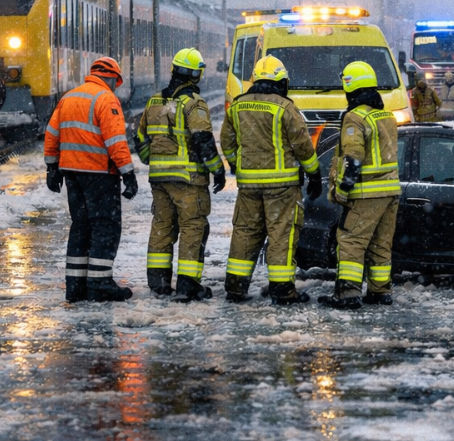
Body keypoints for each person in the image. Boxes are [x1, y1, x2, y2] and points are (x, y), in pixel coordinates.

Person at [220, 55, 321, 305]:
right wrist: (314, 173)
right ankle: (282, 290)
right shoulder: (285, 108)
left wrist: (238, 164)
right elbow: (302, 146)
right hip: (282, 188)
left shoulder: (237, 106)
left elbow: (227, 143)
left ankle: (236, 287)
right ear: (281, 82)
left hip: (248, 186)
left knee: (245, 233)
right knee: (281, 236)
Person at [134, 48, 226, 302]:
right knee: (193, 228)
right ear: (195, 75)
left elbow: (139, 138)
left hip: (159, 180)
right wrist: (218, 170)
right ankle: (188, 284)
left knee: (162, 227)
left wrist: (152, 160)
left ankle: (159, 282)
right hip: (188, 180)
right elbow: (203, 140)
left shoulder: (154, 102)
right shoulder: (193, 103)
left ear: (174, 70)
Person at [44, 57, 138, 303]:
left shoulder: (69, 97)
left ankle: (75, 287)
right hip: (99, 174)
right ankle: (100, 284)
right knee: (105, 226)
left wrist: (52, 167)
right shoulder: (106, 99)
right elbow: (115, 141)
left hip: (71, 174)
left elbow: (51, 134)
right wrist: (128, 173)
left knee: (81, 226)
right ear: (112, 78)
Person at [318, 61, 400, 309]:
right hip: (390, 190)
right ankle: (380, 291)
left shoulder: (355, 117)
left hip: (366, 193)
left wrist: (343, 190)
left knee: (351, 240)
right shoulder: (386, 115)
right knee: (380, 243)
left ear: (349, 86)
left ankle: (348, 294)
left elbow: (353, 157)